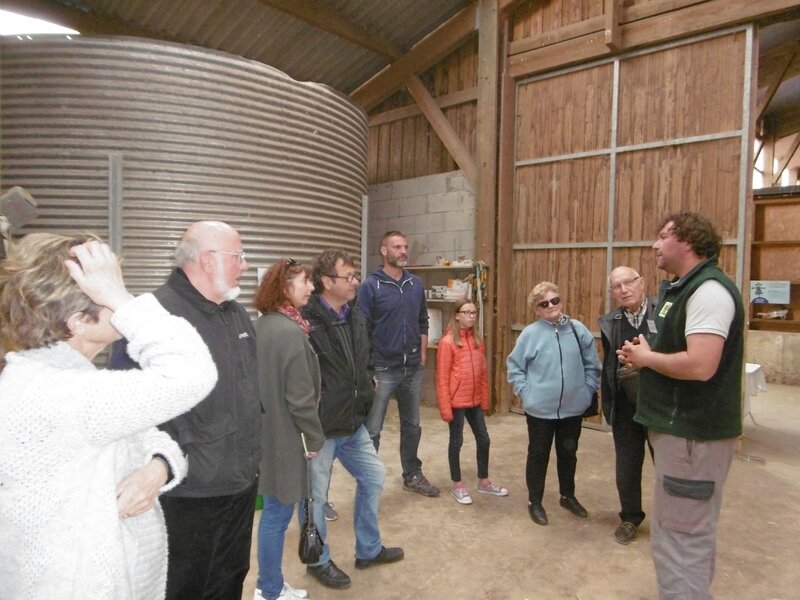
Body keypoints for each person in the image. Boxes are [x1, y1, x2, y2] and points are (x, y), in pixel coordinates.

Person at [0, 233, 217, 599]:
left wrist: (158, 467)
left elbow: (153, 436)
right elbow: (193, 373)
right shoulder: (57, 394)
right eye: (108, 295)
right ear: (78, 322)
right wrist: (123, 300)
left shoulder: (69, 381)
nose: (122, 301)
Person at [109, 221, 261, 600]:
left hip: (239, 482)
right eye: (237, 257)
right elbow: (125, 411)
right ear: (208, 261)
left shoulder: (235, 314)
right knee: (183, 587)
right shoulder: (153, 317)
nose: (244, 265)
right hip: (185, 493)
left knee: (230, 578)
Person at [618, 212, 744, 599]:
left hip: (693, 437)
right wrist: (651, 353)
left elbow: (701, 365)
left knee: (681, 542)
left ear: (687, 241)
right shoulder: (685, 289)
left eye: (662, 237)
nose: (655, 245)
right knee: (685, 534)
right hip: (683, 436)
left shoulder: (707, 292)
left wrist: (647, 360)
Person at [300, 249, 404, 590]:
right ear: (327, 282)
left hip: (353, 421)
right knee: (315, 494)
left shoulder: (355, 315)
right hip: (322, 426)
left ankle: (368, 550)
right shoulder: (307, 321)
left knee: (374, 475)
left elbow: (367, 354)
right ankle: (317, 560)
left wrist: (369, 377)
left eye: (355, 275)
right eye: (348, 277)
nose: (356, 281)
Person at [253, 258, 326, 600]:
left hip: (266, 432)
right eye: (304, 282)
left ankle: (269, 584)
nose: (311, 288)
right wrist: (314, 437)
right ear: (284, 288)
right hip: (286, 437)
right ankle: (268, 589)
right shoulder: (290, 332)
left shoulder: (263, 325)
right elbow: (300, 398)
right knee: (277, 516)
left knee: (272, 511)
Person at [507, 281, 601, 526]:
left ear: (561, 301)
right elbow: (515, 367)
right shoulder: (530, 334)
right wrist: (527, 394)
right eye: (543, 304)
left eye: (554, 300)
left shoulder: (578, 330)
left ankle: (567, 496)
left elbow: (592, 364)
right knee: (538, 455)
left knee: (569, 453)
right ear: (537, 310)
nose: (551, 306)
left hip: (572, 409)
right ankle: (535, 501)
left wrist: (587, 390)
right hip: (540, 411)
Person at [357, 230, 439, 497]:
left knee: (412, 425)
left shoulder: (415, 284)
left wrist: (423, 353)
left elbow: (422, 320)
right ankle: (368, 481)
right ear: (384, 251)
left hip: (412, 368)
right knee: (373, 429)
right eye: (397, 247)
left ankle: (412, 474)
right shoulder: (371, 286)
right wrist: (368, 368)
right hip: (383, 368)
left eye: (405, 246)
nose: (403, 251)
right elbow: (362, 329)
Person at [599, 266, 656, 545]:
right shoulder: (611, 322)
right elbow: (607, 366)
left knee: (668, 466)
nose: (623, 289)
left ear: (642, 283)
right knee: (627, 466)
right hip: (626, 407)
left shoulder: (663, 313)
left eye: (628, 283)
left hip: (660, 406)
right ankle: (630, 517)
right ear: (612, 293)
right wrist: (608, 403)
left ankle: (673, 523)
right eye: (616, 286)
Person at [436, 298, 508, 505]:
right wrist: (445, 408)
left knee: (484, 440)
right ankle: (457, 485)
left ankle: (483, 481)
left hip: (474, 400)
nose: (471, 316)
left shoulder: (478, 340)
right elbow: (441, 377)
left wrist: (484, 398)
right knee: (456, 442)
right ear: (457, 315)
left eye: (474, 313)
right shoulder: (447, 342)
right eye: (466, 312)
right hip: (456, 402)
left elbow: (483, 373)